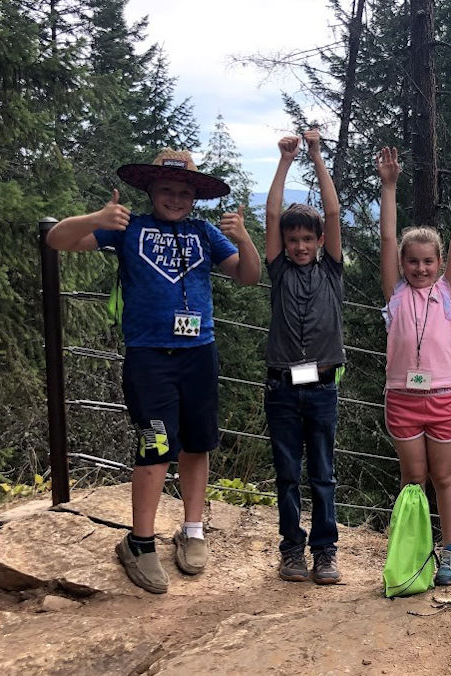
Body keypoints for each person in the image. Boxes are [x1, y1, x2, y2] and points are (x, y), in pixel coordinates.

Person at [46, 149, 261, 594]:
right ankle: (140, 542)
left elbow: (248, 276)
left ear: (195, 198)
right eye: (167, 190)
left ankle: (193, 530)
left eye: (185, 192)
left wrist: (244, 238)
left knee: (198, 443)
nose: (176, 199)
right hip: (148, 355)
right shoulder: (128, 229)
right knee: (156, 445)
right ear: (150, 190)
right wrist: (98, 217)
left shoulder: (204, 233)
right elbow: (58, 240)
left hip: (200, 353)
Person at [378, 147, 451, 587]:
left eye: (429, 262)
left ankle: (450, 551)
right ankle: (413, 549)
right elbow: (388, 239)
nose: (420, 268)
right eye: (413, 262)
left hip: (444, 397)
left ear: (440, 265)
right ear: (403, 265)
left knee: (444, 477)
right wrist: (389, 187)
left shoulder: (448, 293)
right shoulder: (395, 294)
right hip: (403, 400)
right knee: (413, 479)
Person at [264, 129, 345, 584]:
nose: (298, 246)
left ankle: (325, 551)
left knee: (323, 474)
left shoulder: (330, 271)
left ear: (319, 241)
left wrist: (316, 156)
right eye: (291, 239)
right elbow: (273, 211)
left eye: (306, 239)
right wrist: (284, 162)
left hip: (322, 387)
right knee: (288, 473)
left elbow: (332, 211)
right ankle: (292, 549)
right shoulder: (277, 272)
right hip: (280, 386)